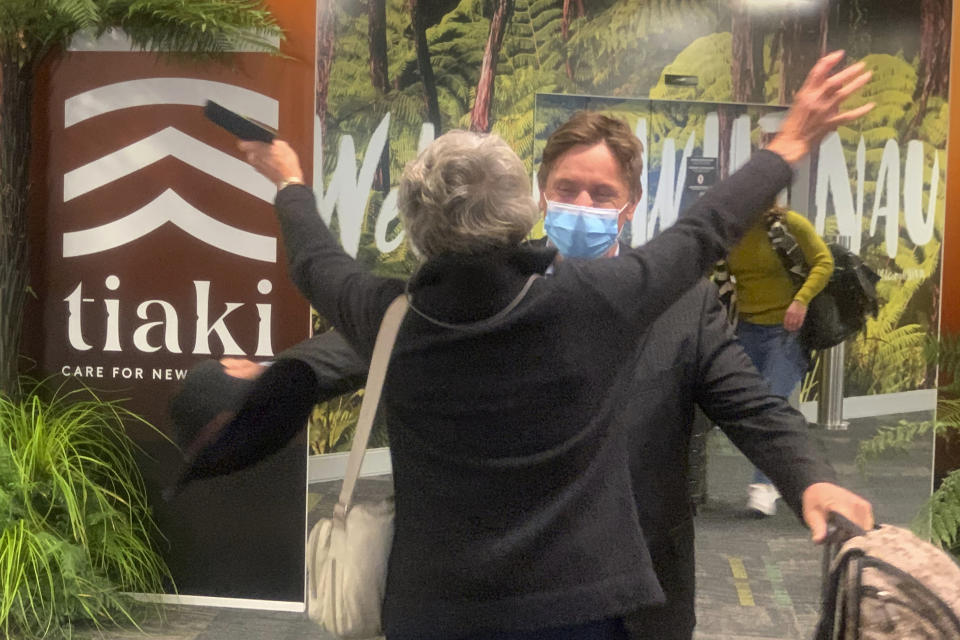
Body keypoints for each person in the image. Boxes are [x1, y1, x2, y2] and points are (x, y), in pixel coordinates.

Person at [233, 52, 871, 640]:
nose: (582, 205)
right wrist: (284, 375)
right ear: (537, 194)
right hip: (470, 592)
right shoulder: (474, 298)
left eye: (602, 195)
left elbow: (752, 405)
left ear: (632, 205)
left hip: (626, 593)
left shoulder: (681, 304)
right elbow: (360, 346)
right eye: (567, 190)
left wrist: (808, 479)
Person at [726, 205, 834, 517]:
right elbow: (717, 272)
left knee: (771, 403)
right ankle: (793, 473)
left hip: (786, 332)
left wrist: (801, 301)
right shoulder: (730, 231)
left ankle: (763, 486)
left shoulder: (788, 224)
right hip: (745, 329)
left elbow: (823, 262)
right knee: (746, 408)